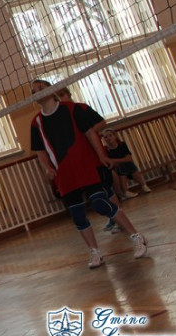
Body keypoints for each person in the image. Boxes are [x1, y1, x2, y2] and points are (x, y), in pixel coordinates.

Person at [29, 79, 148, 269]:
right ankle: (95, 252)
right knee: (77, 215)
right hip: (64, 173)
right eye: (34, 91)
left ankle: (136, 236)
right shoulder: (36, 122)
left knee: (100, 203)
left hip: (86, 165)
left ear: (51, 91)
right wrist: (48, 168)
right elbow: (40, 151)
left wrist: (101, 156)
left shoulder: (72, 109)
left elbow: (91, 133)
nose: (37, 92)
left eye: (41, 88)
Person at [55, 85, 122, 231]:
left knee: (106, 189)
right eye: (58, 97)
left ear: (69, 94)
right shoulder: (61, 117)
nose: (61, 99)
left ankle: (119, 219)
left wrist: (87, 132)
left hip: (95, 156)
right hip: (81, 160)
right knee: (97, 194)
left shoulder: (81, 108)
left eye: (62, 95)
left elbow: (102, 122)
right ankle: (113, 218)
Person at [103, 128, 151, 198]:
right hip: (117, 168)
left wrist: (115, 160)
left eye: (110, 135)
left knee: (129, 165)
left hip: (127, 165)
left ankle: (143, 186)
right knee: (122, 167)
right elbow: (111, 163)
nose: (108, 138)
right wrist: (120, 161)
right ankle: (128, 190)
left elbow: (129, 158)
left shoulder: (122, 144)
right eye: (106, 137)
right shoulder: (106, 149)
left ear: (115, 136)